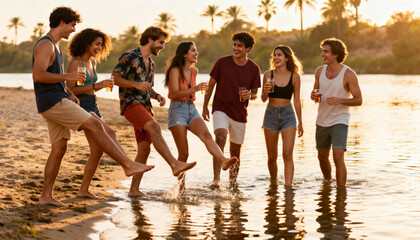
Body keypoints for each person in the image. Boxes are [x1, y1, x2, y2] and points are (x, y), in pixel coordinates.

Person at [32, 7, 154, 207]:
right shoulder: (46, 45)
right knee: (96, 126)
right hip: (53, 101)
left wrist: (69, 91)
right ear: (62, 22)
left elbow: (55, 80)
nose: (72, 30)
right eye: (72, 25)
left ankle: (46, 196)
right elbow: (38, 76)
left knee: (59, 147)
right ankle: (127, 164)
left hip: (56, 98)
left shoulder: (54, 46)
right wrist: (68, 78)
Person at [112, 27, 197, 197]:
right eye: (160, 42)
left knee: (144, 149)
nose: (162, 47)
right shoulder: (129, 56)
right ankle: (174, 164)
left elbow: (146, 87)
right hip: (130, 104)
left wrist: (156, 95)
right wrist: (135, 85)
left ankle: (134, 190)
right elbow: (115, 78)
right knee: (155, 127)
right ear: (150, 39)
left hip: (144, 106)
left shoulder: (150, 63)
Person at [164, 41, 238, 190]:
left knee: (207, 136)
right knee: (184, 153)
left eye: (196, 50)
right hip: (177, 110)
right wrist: (196, 89)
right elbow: (175, 93)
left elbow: (191, 91)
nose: (196, 53)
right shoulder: (175, 70)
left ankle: (223, 160)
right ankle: (180, 187)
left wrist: (196, 92)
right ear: (185, 54)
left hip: (191, 109)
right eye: (193, 51)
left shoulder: (194, 71)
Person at [202, 31, 261, 189]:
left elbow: (255, 94)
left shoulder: (254, 69)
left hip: (240, 113)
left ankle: (233, 183)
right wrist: (205, 107)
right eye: (234, 45)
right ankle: (216, 179)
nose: (235, 48)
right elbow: (211, 85)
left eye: (239, 46)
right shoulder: (222, 62)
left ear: (248, 48)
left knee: (235, 151)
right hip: (220, 107)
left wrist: (251, 95)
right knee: (220, 137)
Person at [66, 28, 114, 199]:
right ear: (86, 44)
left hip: (93, 104)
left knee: (97, 151)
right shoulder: (75, 62)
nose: (99, 48)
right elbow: (72, 90)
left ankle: (83, 190)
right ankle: (127, 164)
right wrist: (97, 85)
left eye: (102, 45)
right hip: (81, 104)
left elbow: (89, 88)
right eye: (97, 44)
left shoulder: (92, 63)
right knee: (110, 133)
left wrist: (98, 87)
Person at [310, 38, 362, 186]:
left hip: (340, 120)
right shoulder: (319, 71)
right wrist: (313, 96)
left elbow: (359, 100)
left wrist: (340, 100)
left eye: (325, 51)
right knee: (322, 157)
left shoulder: (348, 74)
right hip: (321, 120)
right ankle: (327, 183)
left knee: (338, 156)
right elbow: (316, 93)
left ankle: (341, 192)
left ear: (335, 55)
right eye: (322, 51)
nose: (322, 54)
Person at [261, 45, 304, 185]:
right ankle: (273, 183)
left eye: (279, 55)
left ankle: (288, 187)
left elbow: (297, 101)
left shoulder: (295, 77)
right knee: (272, 157)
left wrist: (300, 122)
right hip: (270, 114)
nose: (276, 57)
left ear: (286, 58)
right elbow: (263, 99)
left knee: (287, 154)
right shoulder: (268, 75)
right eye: (275, 55)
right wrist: (266, 91)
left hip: (288, 115)